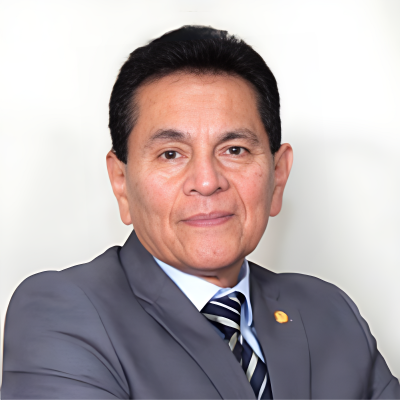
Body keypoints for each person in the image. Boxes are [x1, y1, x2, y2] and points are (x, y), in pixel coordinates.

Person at [0, 25, 398, 400]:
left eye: (234, 150)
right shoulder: (64, 312)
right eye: (171, 154)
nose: (207, 182)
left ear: (278, 176)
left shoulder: (328, 311)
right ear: (121, 182)